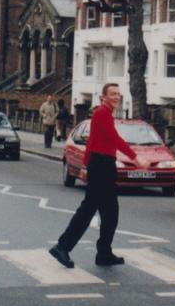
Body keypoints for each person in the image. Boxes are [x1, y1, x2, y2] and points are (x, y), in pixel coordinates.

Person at [49, 83, 151, 268]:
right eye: (112, 94)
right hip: (102, 166)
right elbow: (115, 139)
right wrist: (136, 158)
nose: (116, 97)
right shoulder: (102, 113)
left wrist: (85, 165)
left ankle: (103, 253)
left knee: (110, 212)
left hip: (102, 165)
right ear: (103, 96)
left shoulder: (103, 114)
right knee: (89, 209)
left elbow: (92, 141)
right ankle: (62, 246)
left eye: (118, 94)